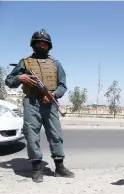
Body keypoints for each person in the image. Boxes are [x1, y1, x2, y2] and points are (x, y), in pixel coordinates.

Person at [5, 29, 75, 183]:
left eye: (44, 43)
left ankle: (59, 167)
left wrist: (53, 95)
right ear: (33, 44)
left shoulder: (56, 64)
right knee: (32, 136)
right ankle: (37, 168)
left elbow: (63, 85)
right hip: (31, 103)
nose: (41, 45)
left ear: (49, 46)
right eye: (38, 43)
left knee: (56, 135)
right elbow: (9, 81)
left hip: (50, 103)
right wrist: (20, 77)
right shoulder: (25, 62)